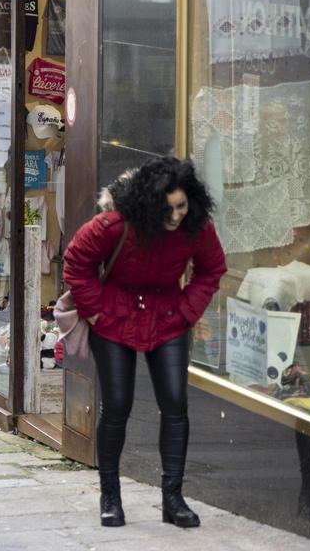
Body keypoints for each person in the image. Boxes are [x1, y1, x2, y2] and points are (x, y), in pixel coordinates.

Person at [63, 157, 226, 530]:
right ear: (148, 204)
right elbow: (76, 261)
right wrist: (95, 312)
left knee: (175, 404)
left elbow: (212, 268)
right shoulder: (114, 224)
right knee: (117, 405)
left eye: (182, 206)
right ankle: (110, 497)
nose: (176, 216)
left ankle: (173, 499)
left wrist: (186, 313)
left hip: (168, 316)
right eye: (167, 209)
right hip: (115, 316)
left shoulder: (197, 226)